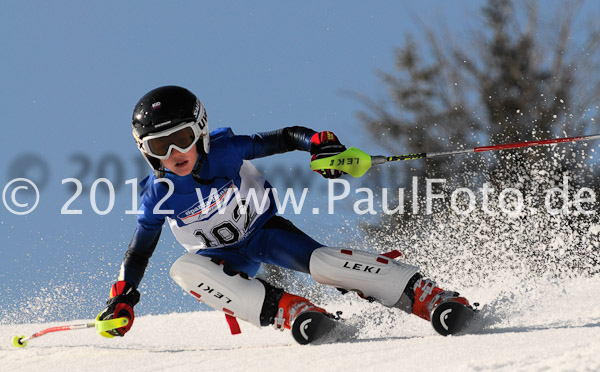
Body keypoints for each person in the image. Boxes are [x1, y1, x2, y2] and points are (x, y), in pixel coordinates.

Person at [97, 85, 472, 342]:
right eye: (159, 146)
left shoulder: (226, 151)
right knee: (182, 270)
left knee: (323, 263)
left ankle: (424, 295)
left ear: (200, 132)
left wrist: (319, 146)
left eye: (181, 139)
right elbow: (139, 252)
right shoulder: (158, 194)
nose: (174, 153)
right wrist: (125, 296)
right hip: (221, 259)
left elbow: (286, 136)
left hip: (265, 232)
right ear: (146, 152)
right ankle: (289, 311)